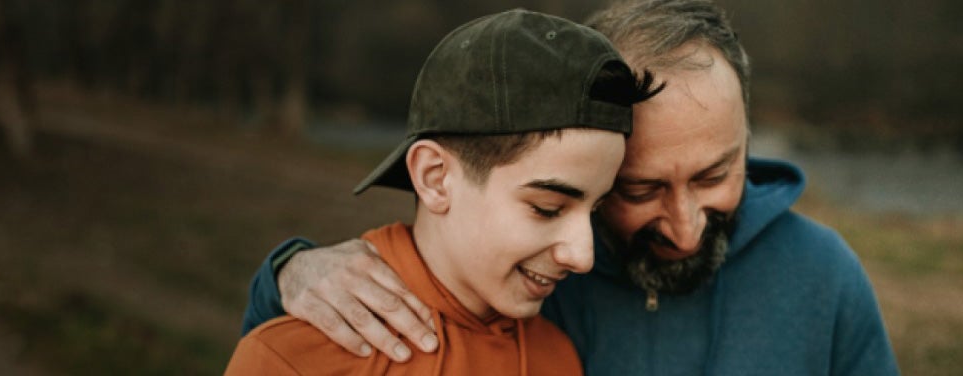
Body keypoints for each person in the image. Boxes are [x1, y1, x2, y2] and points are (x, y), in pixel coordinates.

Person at [240, 1, 901, 375]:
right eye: (641, 190)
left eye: (715, 174)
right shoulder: (537, 283)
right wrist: (287, 273)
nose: (686, 224)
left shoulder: (825, 278)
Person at [225, 9, 662, 375]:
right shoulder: (293, 358)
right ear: (435, 177)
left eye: (595, 210)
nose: (583, 256)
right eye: (547, 208)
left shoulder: (559, 361)